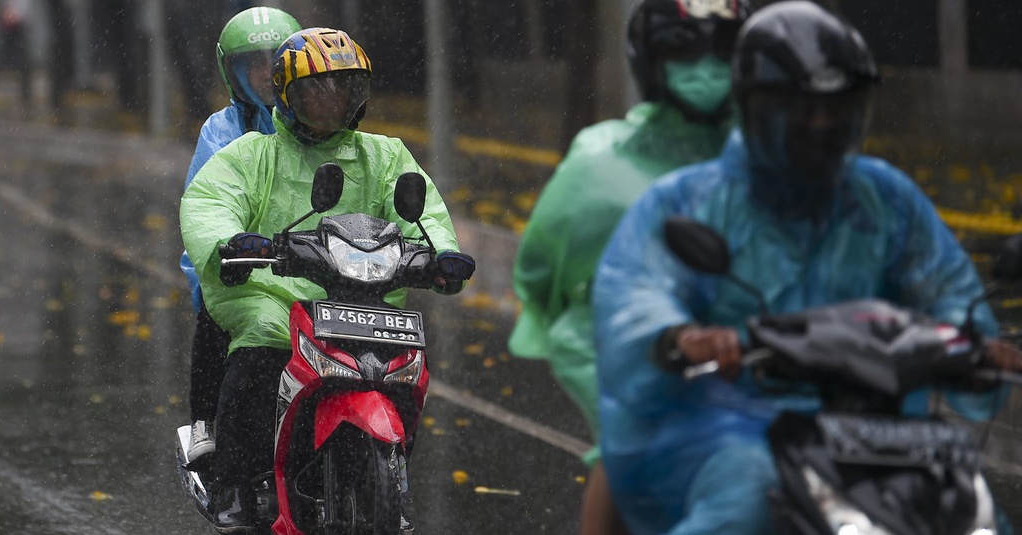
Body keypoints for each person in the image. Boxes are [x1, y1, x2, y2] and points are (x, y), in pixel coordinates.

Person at [591, 2, 1022, 534]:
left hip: (883, 433)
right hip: (728, 423)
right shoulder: (686, 201)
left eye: (838, 110)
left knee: (974, 514)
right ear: (752, 108)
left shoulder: (885, 198)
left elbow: (945, 285)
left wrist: (977, 346)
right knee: (748, 502)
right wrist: (680, 337)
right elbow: (634, 294)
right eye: (798, 110)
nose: (820, 126)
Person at [179, 28, 475, 533]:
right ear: (288, 95)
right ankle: (238, 479)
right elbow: (211, 202)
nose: (331, 97)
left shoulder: (385, 155)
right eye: (318, 87)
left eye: (343, 86)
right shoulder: (253, 153)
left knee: (404, 364)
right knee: (263, 342)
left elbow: (423, 213)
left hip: (363, 296)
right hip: (270, 292)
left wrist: (441, 255)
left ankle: (391, 477)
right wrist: (233, 241)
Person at [507, 1, 751, 533]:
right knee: (630, 451)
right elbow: (544, 272)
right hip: (624, 355)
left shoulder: (768, 153)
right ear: (653, 60)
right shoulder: (600, 160)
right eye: (686, 51)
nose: (706, 67)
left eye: (721, 50)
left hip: (758, 352)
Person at [179, 6, 302, 469]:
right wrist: (228, 250)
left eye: (278, 61)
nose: (268, 73)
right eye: (254, 63)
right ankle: (208, 429)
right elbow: (207, 203)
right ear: (232, 72)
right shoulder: (222, 131)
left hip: (313, 266)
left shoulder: (322, 129)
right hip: (247, 267)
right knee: (217, 319)